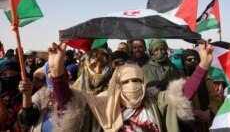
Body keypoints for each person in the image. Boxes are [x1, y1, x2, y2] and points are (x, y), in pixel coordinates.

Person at [45, 40, 213, 132]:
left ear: (144, 82)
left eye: (137, 81)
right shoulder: (102, 104)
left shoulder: (154, 101)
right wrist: (57, 72)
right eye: (125, 82)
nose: (132, 86)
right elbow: (70, 105)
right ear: (117, 83)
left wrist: (203, 65)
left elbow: (182, 95)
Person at [17, 43, 86, 131]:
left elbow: (68, 106)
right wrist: (26, 95)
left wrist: (56, 72)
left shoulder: (75, 92)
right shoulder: (41, 93)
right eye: (49, 71)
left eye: (55, 70)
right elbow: (27, 120)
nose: (52, 74)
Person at [181, 49, 222, 132]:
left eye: (196, 60)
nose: (193, 62)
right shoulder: (180, 80)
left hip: (208, 123)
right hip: (191, 125)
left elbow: (216, 99)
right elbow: (178, 103)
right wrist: (195, 112)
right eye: (189, 60)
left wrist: (209, 112)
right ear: (184, 62)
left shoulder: (206, 78)